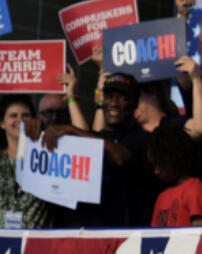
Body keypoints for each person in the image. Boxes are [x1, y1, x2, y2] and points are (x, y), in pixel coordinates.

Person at [43, 72, 156, 228]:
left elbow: (120, 158)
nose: (114, 103)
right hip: (89, 236)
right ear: (102, 101)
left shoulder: (145, 139)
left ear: (135, 103)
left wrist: (72, 130)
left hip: (126, 235)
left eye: (122, 98)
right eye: (109, 96)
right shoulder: (92, 137)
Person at [0, 96, 53, 228]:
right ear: (2, 123)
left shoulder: (47, 158)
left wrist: (71, 99)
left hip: (37, 243)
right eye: (13, 115)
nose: (20, 120)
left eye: (25, 115)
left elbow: (83, 146)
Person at [148, 126, 202, 226]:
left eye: (160, 164)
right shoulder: (161, 197)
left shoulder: (194, 190)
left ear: (175, 157)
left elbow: (201, 236)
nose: (156, 171)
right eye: (154, 165)